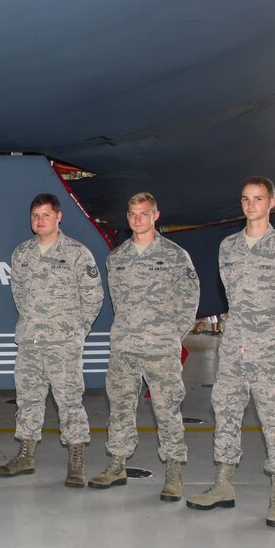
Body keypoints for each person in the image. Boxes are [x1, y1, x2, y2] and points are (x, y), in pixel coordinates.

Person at [186, 177, 275, 528]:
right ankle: (224, 484)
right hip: (234, 347)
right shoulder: (228, 246)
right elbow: (230, 295)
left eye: (258, 198)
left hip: (271, 349)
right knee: (225, 413)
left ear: (272, 202)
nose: (251, 205)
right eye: (245, 199)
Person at [88, 193, 199, 501]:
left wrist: (169, 336)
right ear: (128, 217)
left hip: (160, 350)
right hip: (124, 348)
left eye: (144, 213)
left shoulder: (175, 255)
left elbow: (189, 301)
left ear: (155, 215)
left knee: (167, 410)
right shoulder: (117, 258)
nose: (138, 219)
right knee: (120, 408)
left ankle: (174, 473)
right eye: (133, 214)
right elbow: (117, 302)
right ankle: (117, 464)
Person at [0, 193, 104, 487]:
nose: (39, 221)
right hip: (30, 341)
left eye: (45, 215)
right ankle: (26, 455)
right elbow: (19, 293)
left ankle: (76, 460)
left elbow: (93, 296)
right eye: (35, 216)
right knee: (28, 399)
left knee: (69, 402)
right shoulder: (22, 254)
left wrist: (78, 330)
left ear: (59, 217)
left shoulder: (77, 253)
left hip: (63, 343)